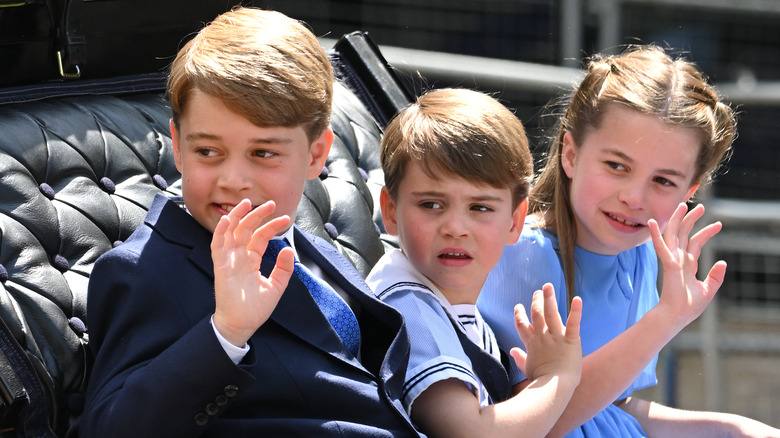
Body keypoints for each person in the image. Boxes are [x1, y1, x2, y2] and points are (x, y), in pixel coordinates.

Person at [80, 7, 421, 437]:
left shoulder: (311, 249)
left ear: (316, 155)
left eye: (263, 153)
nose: (233, 180)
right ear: (179, 147)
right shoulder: (142, 271)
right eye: (208, 152)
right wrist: (227, 331)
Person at [478, 45, 780, 437]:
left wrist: (733, 428)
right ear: (571, 154)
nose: (634, 198)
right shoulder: (519, 255)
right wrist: (666, 318)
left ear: (689, 190)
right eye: (616, 166)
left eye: (663, 181)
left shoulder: (642, 256)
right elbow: (541, 424)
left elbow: (612, 408)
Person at [366, 88, 583, 438]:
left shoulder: (454, 306)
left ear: (515, 221)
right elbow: (472, 432)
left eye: (480, 208)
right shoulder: (409, 306)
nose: (455, 228)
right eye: (431, 205)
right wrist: (559, 377)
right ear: (391, 211)